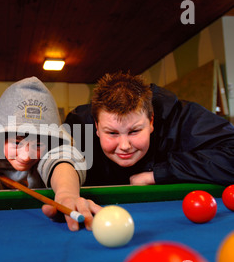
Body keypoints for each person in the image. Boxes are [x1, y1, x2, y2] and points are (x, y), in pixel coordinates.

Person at [0, 76, 102, 231]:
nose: (26, 156)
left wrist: (67, 193)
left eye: (38, 144)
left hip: (41, 211)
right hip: (4, 205)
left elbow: (63, 159)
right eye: (17, 142)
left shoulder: (56, 144)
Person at [64, 71, 234, 186]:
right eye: (112, 133)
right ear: (96, 126)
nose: (124, 146)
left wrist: (158, 174)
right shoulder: (78, 128)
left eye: (134, 131)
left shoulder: (181, 118)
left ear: (151, 121)